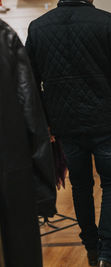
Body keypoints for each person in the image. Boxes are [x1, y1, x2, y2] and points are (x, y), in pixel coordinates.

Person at [25, 0, 111, 266]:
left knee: (81, 185)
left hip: (66, 123)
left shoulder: (38, 27)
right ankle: (107, 253)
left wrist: (47, 117)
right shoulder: (106, 21)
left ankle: (90, 246)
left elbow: (28, 80)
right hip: (105, 120)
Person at [0, 19, 56, 267]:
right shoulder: (4, 36)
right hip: (9, 174)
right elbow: (30, 114)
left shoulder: (30, 29)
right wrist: (43, 193)